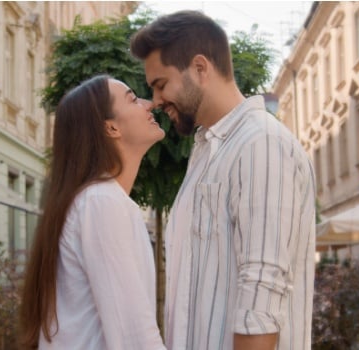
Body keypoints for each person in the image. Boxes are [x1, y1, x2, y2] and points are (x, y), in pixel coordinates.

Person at [130, 10, 316, 350]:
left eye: (161, 85)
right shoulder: (207, 150)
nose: (155, 101)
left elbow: (261, 293)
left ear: (200, 68)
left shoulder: (260, 143)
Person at [19, 75, 166, 350]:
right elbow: (133, 333)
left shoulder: (100, 200)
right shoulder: (101, 202)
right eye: (133, 99)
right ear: (111, 127)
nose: (149, 104)